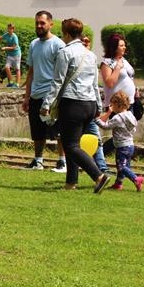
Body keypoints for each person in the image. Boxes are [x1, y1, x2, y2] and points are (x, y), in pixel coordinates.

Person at [41, 18, 111, 193]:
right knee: (74, 144)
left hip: (72, 103)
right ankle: (71, 183)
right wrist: (99, 106)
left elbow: (57, 81)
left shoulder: (65, 53)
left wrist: (46, 103)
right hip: (90, 104)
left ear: (66, 34)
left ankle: (99, 176)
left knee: (71, 146)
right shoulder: (90, 54)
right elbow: (95, 83)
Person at [21, 11, 67, 172]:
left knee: (58, 131)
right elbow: (31, 72)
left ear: (50, 24)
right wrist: (27, 97)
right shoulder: (34, 44)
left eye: (42, 23)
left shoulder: (58, 45)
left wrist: (56, 96)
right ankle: (38, 161)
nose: (39, 26)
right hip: (36, 95)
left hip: (52, 95)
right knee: (37, 131)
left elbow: (62, 73)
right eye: (37, 23)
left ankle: (62, 161)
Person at [97, 91, 144, 192]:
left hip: (122, 146)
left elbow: (105, 126)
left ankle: (136, 179)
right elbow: (134, 129)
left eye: (112, 105)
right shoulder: (130, 115)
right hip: (130, 145)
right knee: (125, 166)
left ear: (118, 104)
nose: (111, 107)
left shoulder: (118, 118)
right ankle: (118, 184)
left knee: (121, 167)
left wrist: (96, 120)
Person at [81, 35, 110, 173]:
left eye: (88, 41)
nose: (86, 43)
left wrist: (98, 106)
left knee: (96, 138)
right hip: (76, 104)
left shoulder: (92, 58)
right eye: (83, 41)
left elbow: (94, 86)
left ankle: (102, 167)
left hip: (90, 105)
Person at [100, 33, 138, 115]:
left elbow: (129, 77)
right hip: (117, 105)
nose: (124, 47)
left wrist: (135, 90)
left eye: (124, 45)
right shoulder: (107, 63)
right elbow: (109, 83)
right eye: (121, 46)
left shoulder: (123, 59)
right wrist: (117, 68)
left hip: (129, 102)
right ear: (114, 48)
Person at [0, 23, 21, 88]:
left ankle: (17, 84)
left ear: (13, 29)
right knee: (7, 67)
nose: (9, 30)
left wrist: (5, 48)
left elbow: (14, 47)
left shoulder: (14, 37)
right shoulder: (6, 35)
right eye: (8, 28)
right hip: (9, 54)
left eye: (10, 29)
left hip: (16, 54)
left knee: (17, 69)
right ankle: (11, 82)